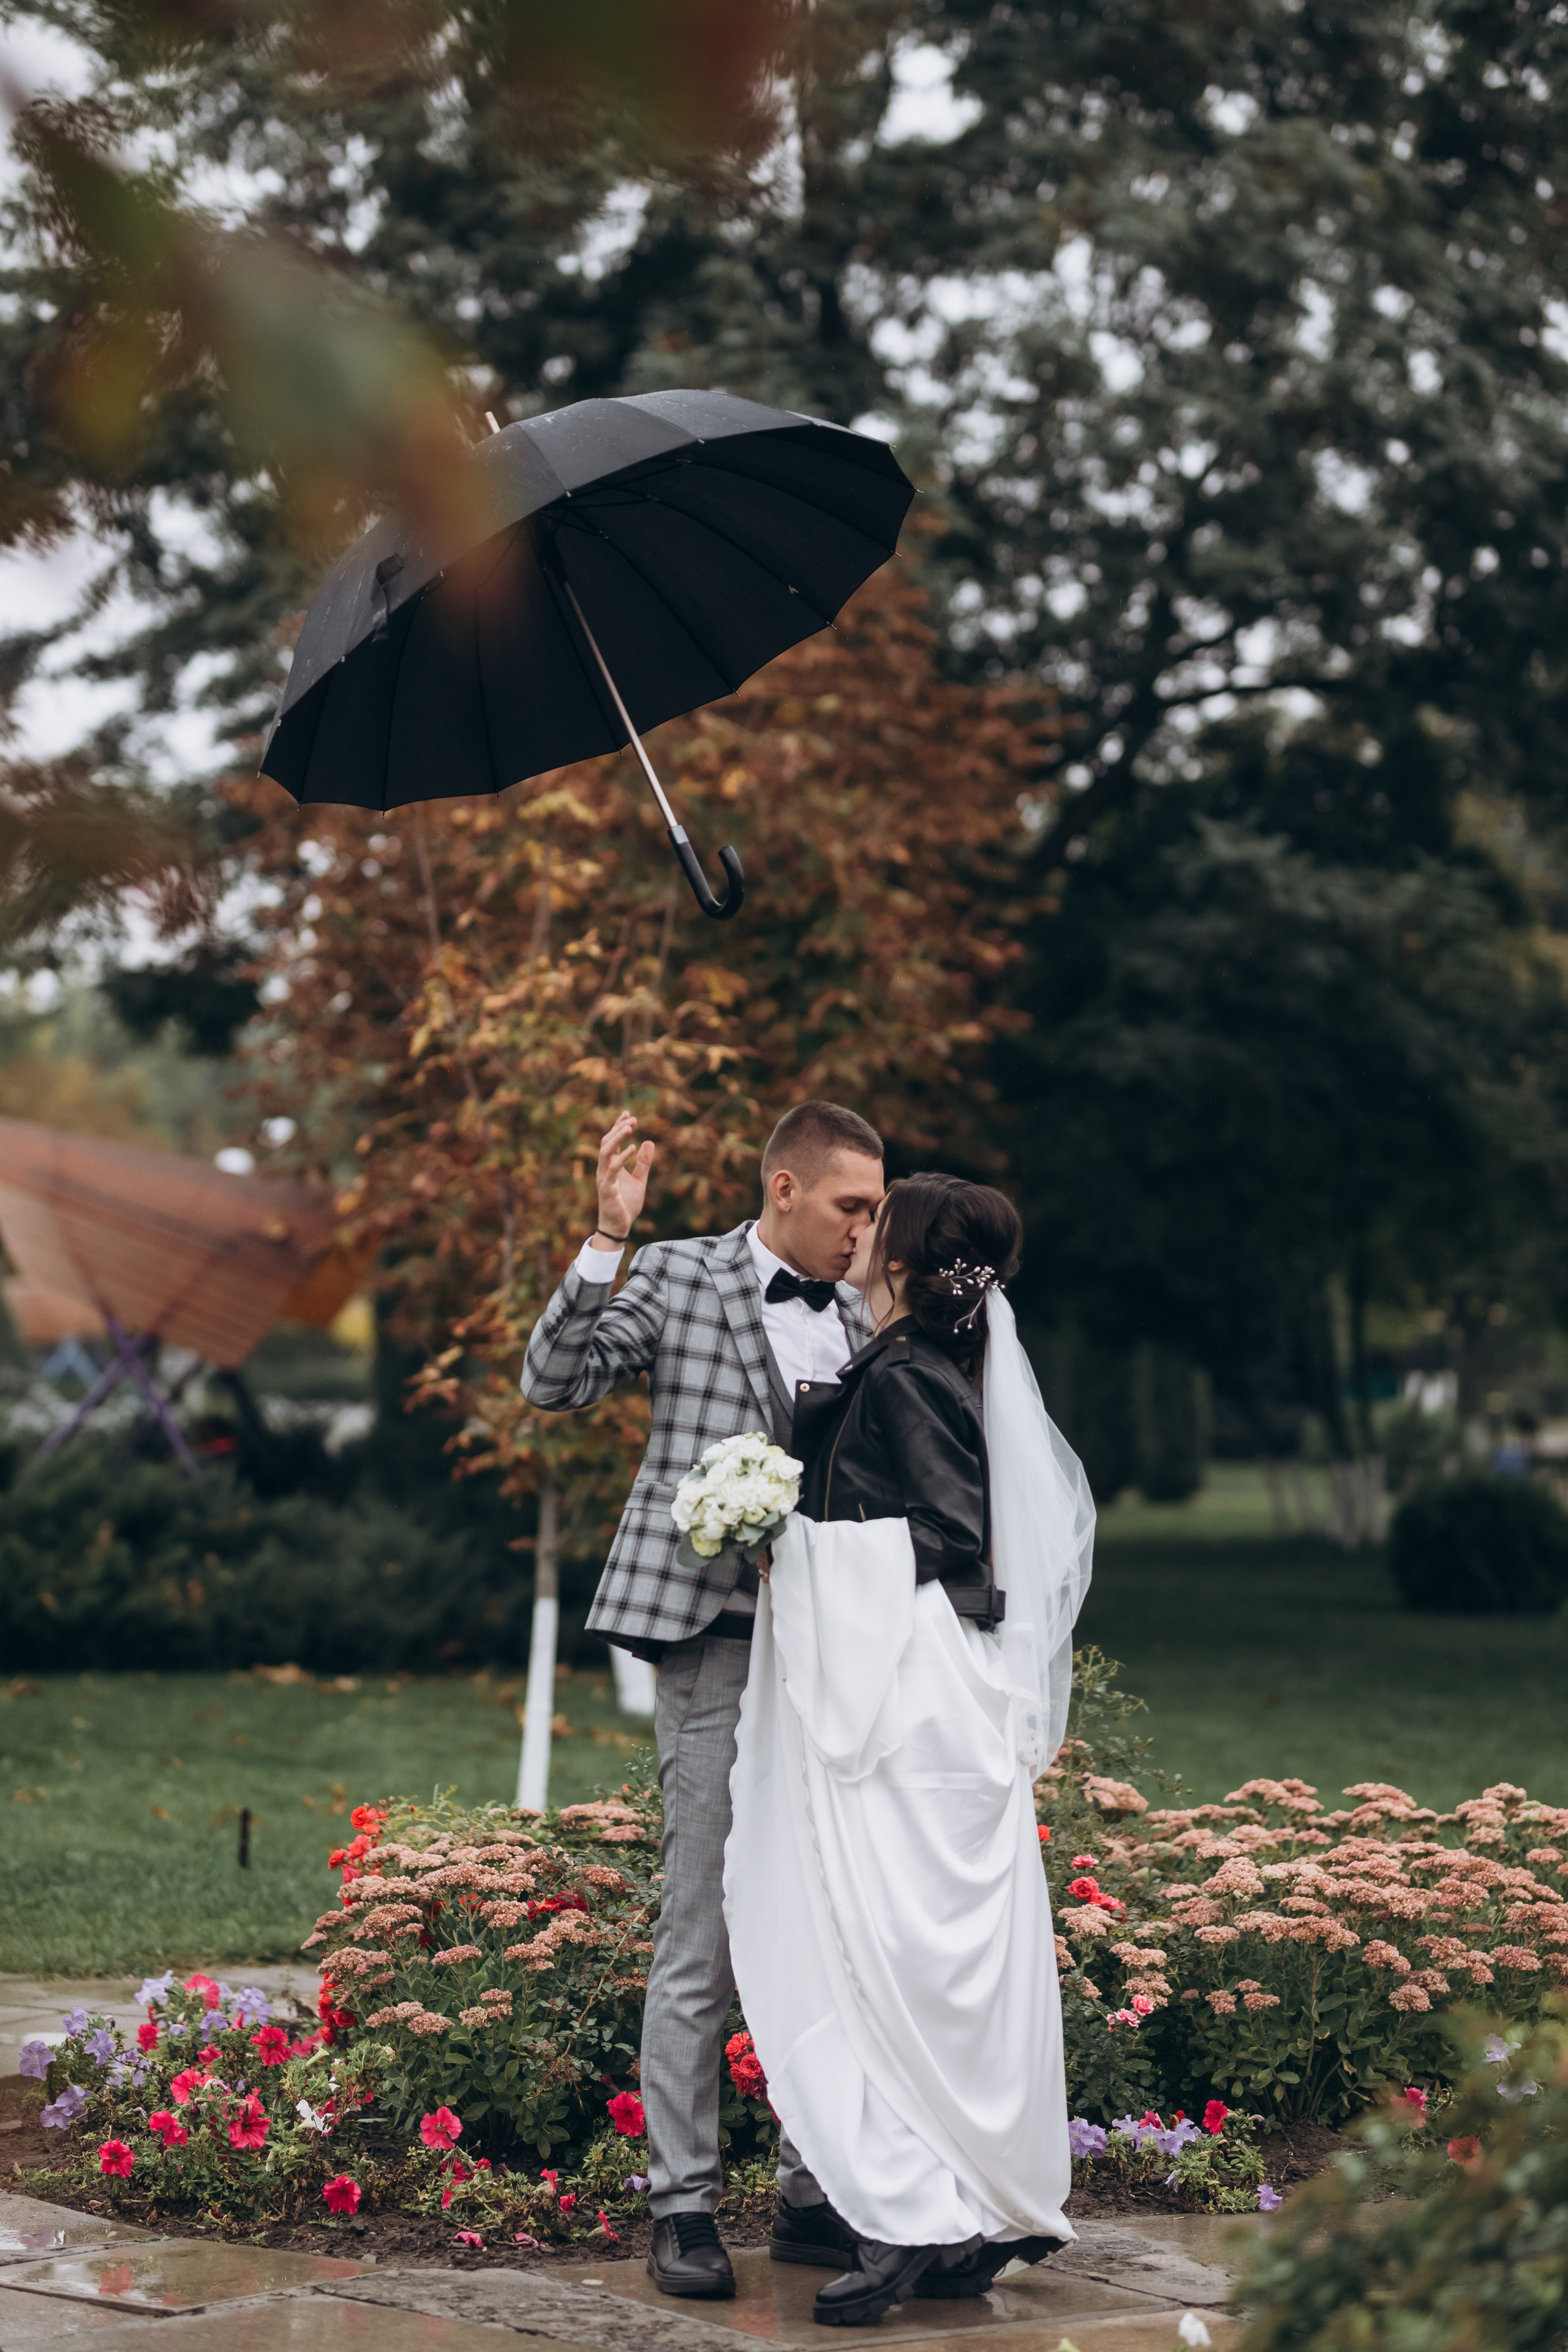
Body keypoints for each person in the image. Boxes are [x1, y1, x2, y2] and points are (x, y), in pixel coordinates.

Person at [521, 1101, 886, 2299]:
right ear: (783, 1189)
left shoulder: (862, 1314)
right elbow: (553, 1381)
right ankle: (680, 2203)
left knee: (829, 1919)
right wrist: (602, 1239)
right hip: (707, 1640)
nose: (863, 1231)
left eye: (876, 1211)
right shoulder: (675, 1275)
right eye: (851, 1207)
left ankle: (809, 2187)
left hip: (828, 1658)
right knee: (702, 1921)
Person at [725, 1172, 1096, 2328]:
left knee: (889, 1950)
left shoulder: (913, 1376)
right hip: (904, 1677)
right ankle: (967, 2205)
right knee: (898, 1949)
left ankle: (912, 2218)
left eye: (877, 1219)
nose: (861, 1227)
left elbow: (946, 1536)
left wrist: (795, 1545)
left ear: (902, 1254)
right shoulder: (926, 1362)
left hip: (910, 1693)